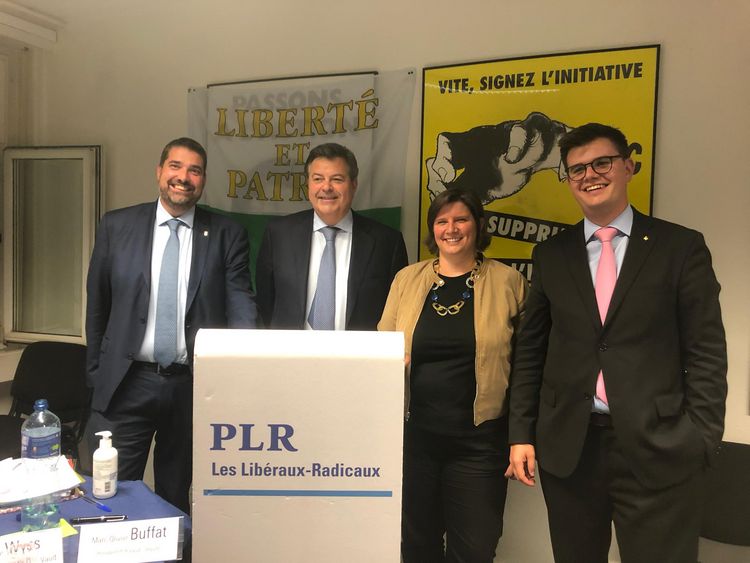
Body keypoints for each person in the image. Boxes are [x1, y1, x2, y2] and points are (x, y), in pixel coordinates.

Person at [508, 123, 727, 562]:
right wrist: (521, 434)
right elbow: (531, 351)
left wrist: (701, 437)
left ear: (628, 166)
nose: (589, 175)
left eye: (602, 163)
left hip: (658, 447)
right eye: (577, 169)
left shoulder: (680, 247)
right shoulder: (552, 255)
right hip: (571, 448)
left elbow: (706, 351)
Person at [85, 137, 257, 513]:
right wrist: (97, 373)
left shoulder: (227, 234)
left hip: (190, 386)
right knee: (110, 492)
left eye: (194, 170)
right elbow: (97, 305)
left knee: (175, 496)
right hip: (125, 383)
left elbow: (240, 305)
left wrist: (239, 372)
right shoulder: (117, 225)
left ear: (203, 180)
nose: (183, 177)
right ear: (159, 171)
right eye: (175, 166)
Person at [379, 188, 527, 562]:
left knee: (475, 550)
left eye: (461, 219)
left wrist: (521, 437)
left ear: (478, 225)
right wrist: (392, 361)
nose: (452, 229)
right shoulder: (406, 280)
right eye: (442, 221)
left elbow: (527, 365)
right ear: (433, 228)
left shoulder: (509, 282)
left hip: (479, 444)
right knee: (417, 546)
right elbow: (380, 349)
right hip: (414, 441)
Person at [255, 142, 408, 330]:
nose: (326, 187)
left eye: (337, 179)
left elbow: (398, 312)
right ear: (308, 184)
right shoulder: (278, 235)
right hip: (290, 348)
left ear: (354, 184)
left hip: (360, 349)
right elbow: (265, 303)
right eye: (318, 179)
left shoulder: (387, 243)